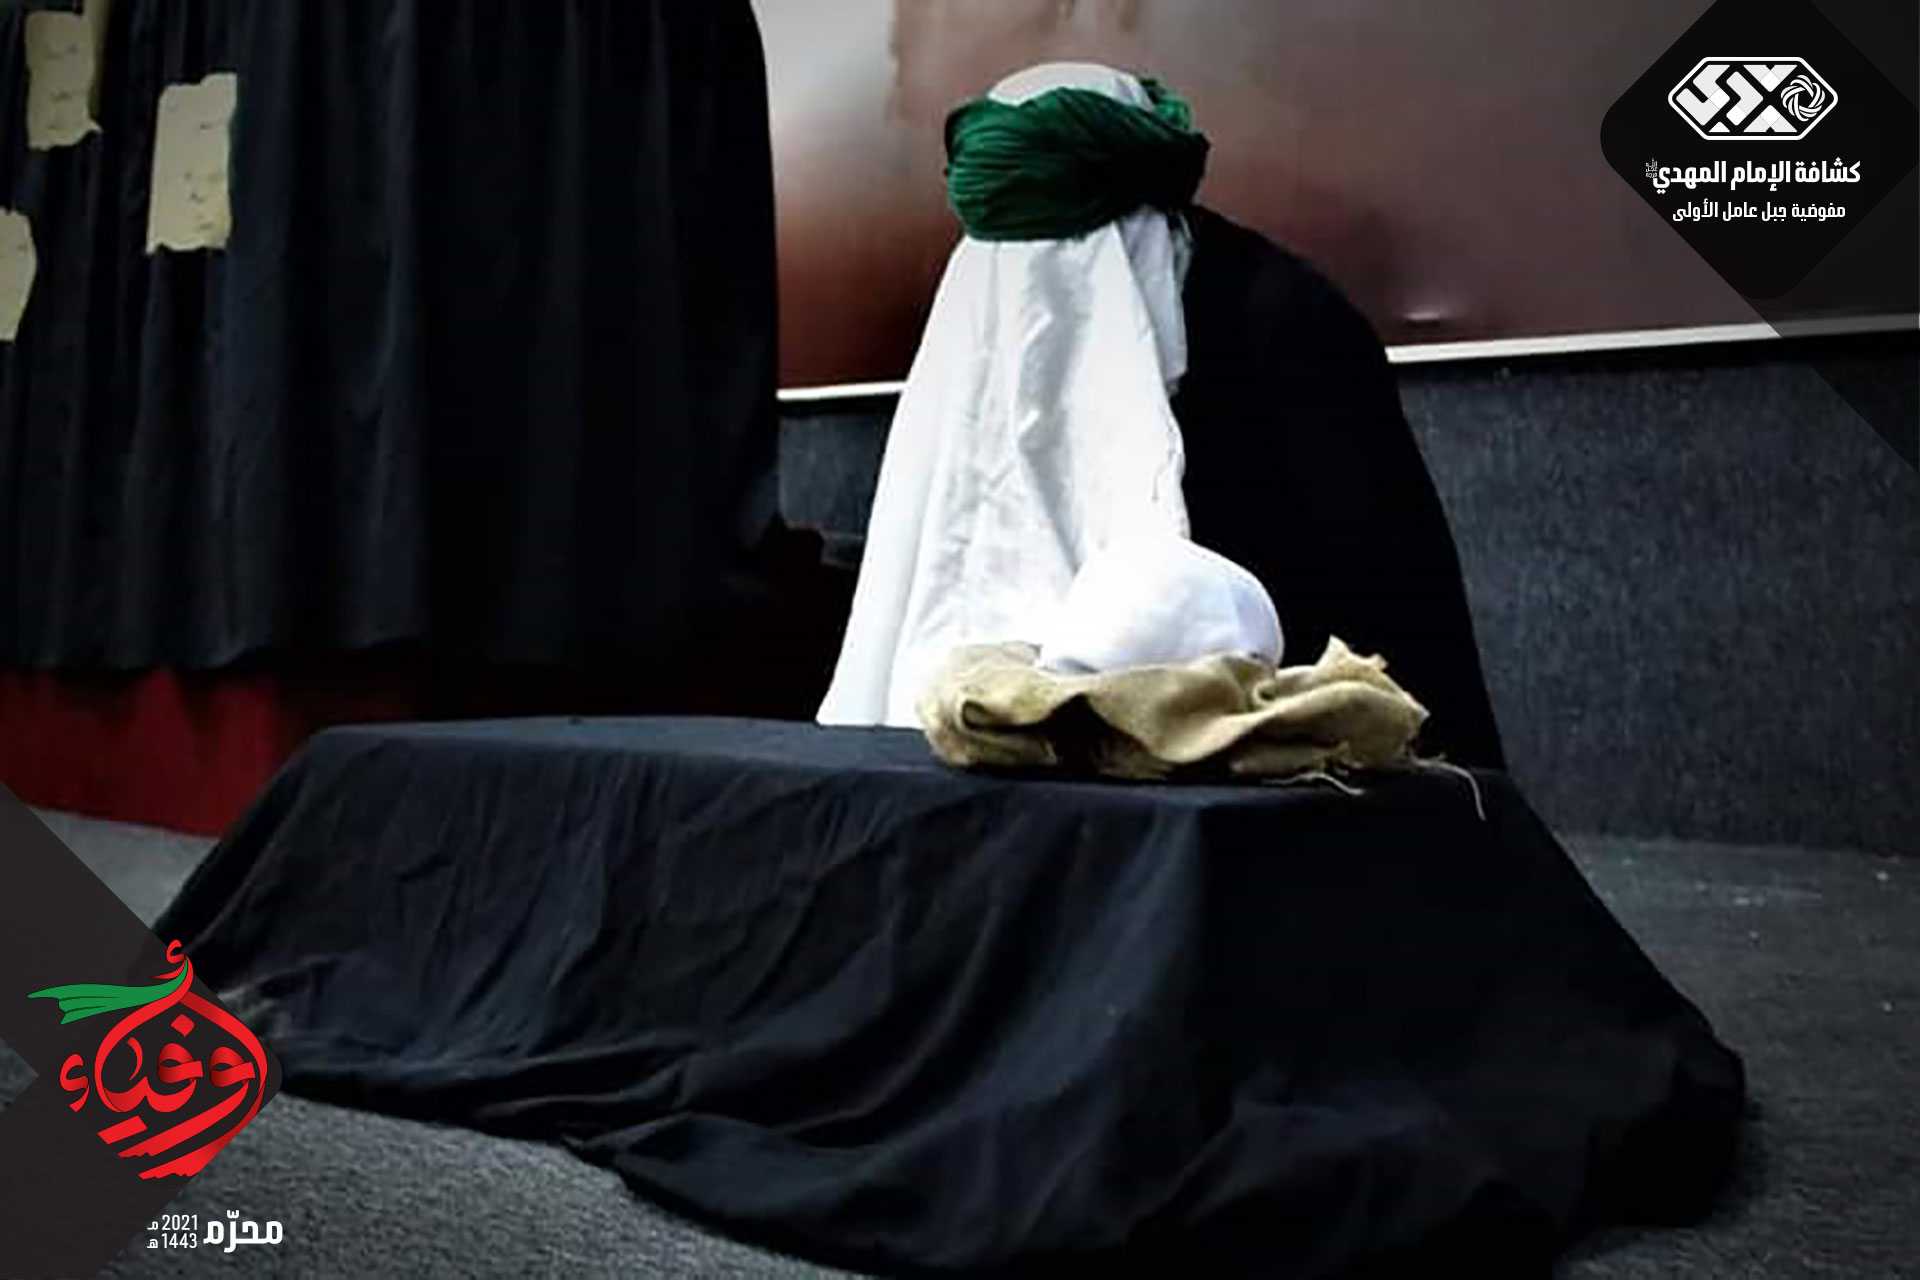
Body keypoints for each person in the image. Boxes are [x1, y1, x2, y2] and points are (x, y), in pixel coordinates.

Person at [819, 62, 1505, 770]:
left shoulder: (1282, 327)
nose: (1032, 308)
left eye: (1061, 265)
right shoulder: (980, 317)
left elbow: (1386, 625)